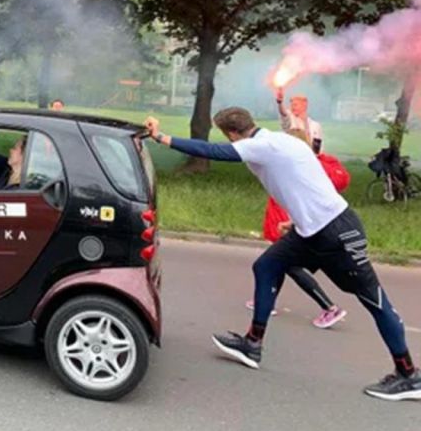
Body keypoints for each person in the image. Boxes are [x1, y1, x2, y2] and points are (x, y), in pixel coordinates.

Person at [144, 107, 419, 401]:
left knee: (374, 300)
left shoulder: (261, 146)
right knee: (267, 266)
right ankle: (252, 343)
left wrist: (161, 137)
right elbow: (305, 181)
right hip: (310, 230)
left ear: (232, 134)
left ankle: (409, 376)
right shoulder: (280, 141)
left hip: (337, 232)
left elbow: (214, 151)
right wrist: (300, 220)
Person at [247, 129, 349, 329]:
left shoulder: (294, 166)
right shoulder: (309, 165)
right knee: (276, 263)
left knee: (288, 266)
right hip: (293, 219)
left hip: (290, 220)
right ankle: (266, 301)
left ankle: (329, 307)